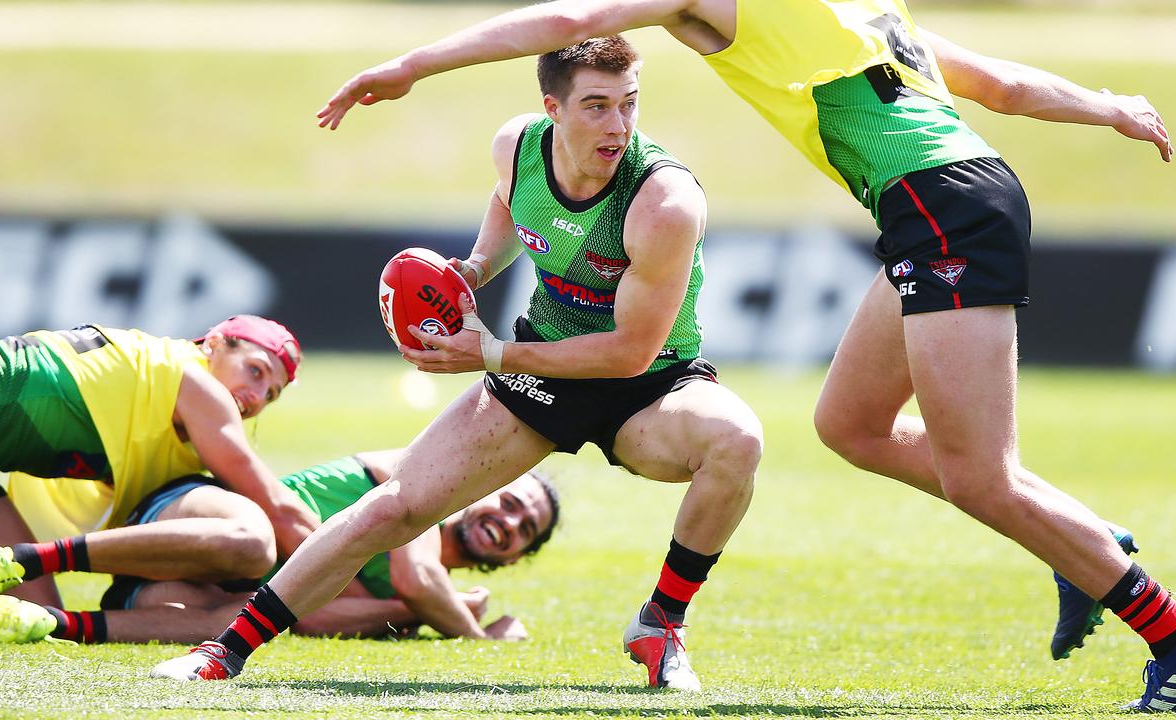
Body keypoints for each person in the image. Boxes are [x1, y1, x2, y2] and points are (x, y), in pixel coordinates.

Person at [310, 0, 1176, 712]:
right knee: (851, 425)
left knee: (982, 478)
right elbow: (994, 85)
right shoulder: (853, 8)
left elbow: (571, 21)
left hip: (943, 209)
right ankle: (1078, 550)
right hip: (947, 202)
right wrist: (1107, 107)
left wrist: (411, 64)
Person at [151, 36, 763, 690]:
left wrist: (491, 354)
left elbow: (629, 352)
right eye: (596, 106)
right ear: (551, 108)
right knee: (391, 511)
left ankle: (662, 621)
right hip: (542, 376)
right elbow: (510, 199)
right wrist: (475, 265)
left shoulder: (664, 203)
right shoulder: (518, 147)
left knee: (737, 442)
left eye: (629, 104)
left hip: (649, 387)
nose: (618, 125)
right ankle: (223, 652)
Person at [0, 450, 559, 644]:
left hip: (198, 585)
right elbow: (417, 581)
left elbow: (305, 613)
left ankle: (52, 622)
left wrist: (416, 615)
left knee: (239, 623)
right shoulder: (426, 471)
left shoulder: (427, 592)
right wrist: (479, 635)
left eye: (524, 531)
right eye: (510, 502)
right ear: (482, 486)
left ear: (515, 558)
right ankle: (29, 557)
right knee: (255, 543)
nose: (509, 523)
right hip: (197, 514)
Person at [0, 316, 321, 634]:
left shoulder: (166, 411)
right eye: (255, 371)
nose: (256, 397)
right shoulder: (196, 383)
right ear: (212, 344)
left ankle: (20, 561)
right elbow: (280, 511)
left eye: (271, 395)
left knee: (22, 616)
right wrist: (353, 564)